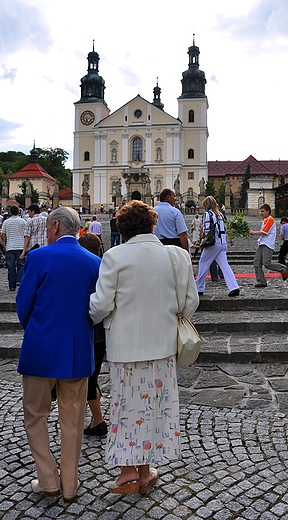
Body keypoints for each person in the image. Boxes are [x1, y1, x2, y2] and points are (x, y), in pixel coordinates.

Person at [89, 200, 198, 495]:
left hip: (125, 346)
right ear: (153, 225)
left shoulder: (114, 256)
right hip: (163, 346)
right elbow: (191, 302)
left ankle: (129, 473)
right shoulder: (176, 256)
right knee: (155, 409)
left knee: (126, 407)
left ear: (122, 227)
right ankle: (145, 471)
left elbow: (99, 307)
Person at [16, 207, 101, 503]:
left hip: (41, 348)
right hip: (77, 352)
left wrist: (38, 330)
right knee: (74, 420)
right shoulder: (94, 262)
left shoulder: (39, 258)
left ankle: (48, 479)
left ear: (53, 227)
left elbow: (23, 306)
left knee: (35, 416)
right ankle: (69, 485)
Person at [78, 232, 107, 437]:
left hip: (91, 330)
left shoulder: (84, 268)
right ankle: (97, 420)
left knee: (88, 377)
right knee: (90, 376)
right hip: (100, 332)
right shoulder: (103, 268)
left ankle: (99, 420)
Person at [195, 196, 239, 297]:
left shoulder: (208, 214)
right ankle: (234, 286)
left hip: (213, 243)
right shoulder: (221, 215)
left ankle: (199, 287)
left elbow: (206, 229)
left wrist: (202, 236)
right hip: (223, 243)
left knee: (203, 263)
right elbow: (226, 227)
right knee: (225, 266)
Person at [249, 204, 288, 288]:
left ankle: (282, 268)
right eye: (260, 211)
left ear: (268, 211)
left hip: (268, 244)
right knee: (256, 262)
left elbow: (264, 232)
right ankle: (261, 281)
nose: (261, 213)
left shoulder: (270, 220)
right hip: (262, 243)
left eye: (263, 211)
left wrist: (253, 232)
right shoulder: (265, 220)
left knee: (266, 263)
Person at [0, 206, 26, 291]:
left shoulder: (6, 222)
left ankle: (12, 286)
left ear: (10, 212)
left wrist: (4, 245)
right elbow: (26, 234)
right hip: (20, 245)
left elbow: (3, 234)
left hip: (10, 247)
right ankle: (19, 279)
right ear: (18, 211)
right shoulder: (23, 221)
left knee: (11, 267)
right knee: (21, 264)